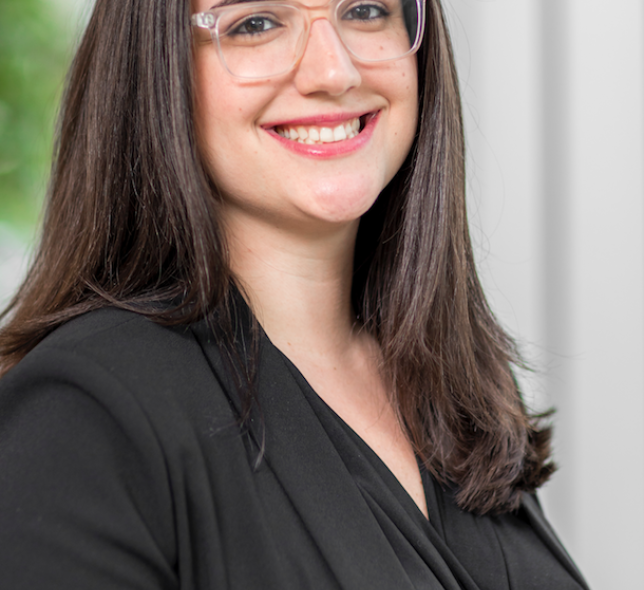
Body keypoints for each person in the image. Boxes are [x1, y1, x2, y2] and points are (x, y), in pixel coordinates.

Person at [0, 0, 589, 588]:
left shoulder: (458, 395)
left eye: (365, 10)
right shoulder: (84, 416)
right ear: (156, 68)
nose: (334, 72)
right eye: (256, 23)